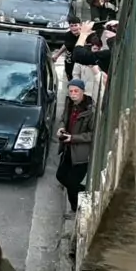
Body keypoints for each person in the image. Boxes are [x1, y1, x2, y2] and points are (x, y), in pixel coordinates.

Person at [57, 79, 96, 213]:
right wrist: (61, 128)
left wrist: (73, 138)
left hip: (80, 154)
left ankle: (76, 209)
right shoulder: (69, 103)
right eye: (71, 91)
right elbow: (63, 119)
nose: (73, 94)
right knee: (61, 176)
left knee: (72, 184)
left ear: (82, 92)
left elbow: (92, 134)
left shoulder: (90, 110)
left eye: (76, 91)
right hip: (67, 149)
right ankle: (83, 195)